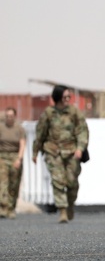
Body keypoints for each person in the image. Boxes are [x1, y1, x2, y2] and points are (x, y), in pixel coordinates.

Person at [32, 85, 89, 223]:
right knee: (58, 181)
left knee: (72, 183)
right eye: (65, 97)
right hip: (53, 152)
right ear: (57, 98)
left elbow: (82, 131)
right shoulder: (49, 113)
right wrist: (35, 151)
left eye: (69, 97)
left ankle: (70, 206)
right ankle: (62, 211)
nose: (67, 99)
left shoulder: (74, 113)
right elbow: (40, 133)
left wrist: (80, 148)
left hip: (71, 152)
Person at [0, 108, 26, 218]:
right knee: (3, 183)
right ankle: (3, 207)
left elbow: (22, 144)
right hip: (2, 156)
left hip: (15, 156)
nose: (9, 118)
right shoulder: (1, 127)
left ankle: (11, 208)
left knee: (14, 184)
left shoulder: (19, 129)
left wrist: (19, 159)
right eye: (7, 116)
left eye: (11, 116)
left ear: (14, 116)